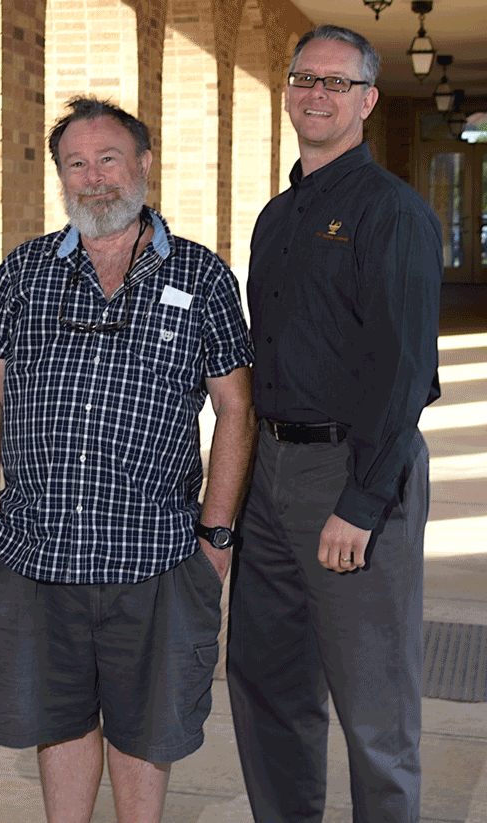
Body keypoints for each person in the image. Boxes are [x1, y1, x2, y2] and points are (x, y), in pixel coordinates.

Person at [0, 96, 256, 823]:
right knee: (56, 718)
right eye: (76, 164)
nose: (93, 179)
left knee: (145, 725)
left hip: (154, 555)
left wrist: (215, 535)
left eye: (108, 159)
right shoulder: (25, 270)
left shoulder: (203, 276)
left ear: (143, 166)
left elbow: (237, 408)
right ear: (60, 175)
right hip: (38, 550)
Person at [228, 25, 442, 823]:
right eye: (304, 78)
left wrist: (362, 500)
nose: (316, 94)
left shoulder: (393, 213)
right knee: (268, 683)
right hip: (270, 476)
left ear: (367, 99)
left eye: (337, 83)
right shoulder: (278, 217)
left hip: (351, 470)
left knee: (373, 701)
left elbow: (405, 373)